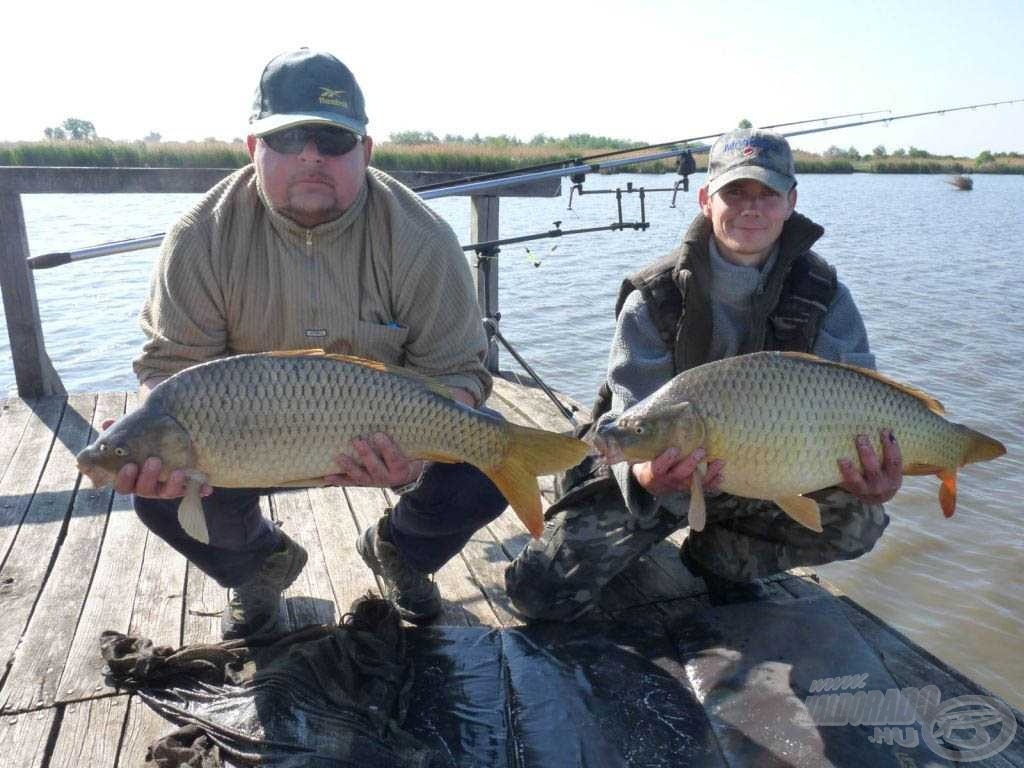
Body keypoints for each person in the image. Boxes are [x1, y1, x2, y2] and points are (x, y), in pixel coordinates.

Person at [108, 48, 507, 637]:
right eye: (289, 138)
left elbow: (458, 370)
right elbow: (169, 370)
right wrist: (168, 446)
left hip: (384, 438)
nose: (312, 155)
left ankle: (401, 552)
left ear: (366, 152)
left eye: (333, 140)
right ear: (253, 149)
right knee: (157, 489)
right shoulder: (199, 236)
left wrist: (418, 454)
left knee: (489, 464)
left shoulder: (422, 237)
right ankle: (258, 567)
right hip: (242, 444)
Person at [505, 128, 903, 619]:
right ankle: (617, 522)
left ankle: (721, 558)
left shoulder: (825, 296)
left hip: (769, 470)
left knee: (859, 520)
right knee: (538, 594)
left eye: (768, 194)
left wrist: (878, 474)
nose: (750, 208)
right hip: (654, 471)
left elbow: (863, 399)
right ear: (705, 199)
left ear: (791, 202)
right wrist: (645, 478)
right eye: (734, 192)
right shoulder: (653, 295)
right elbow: (633, 416)